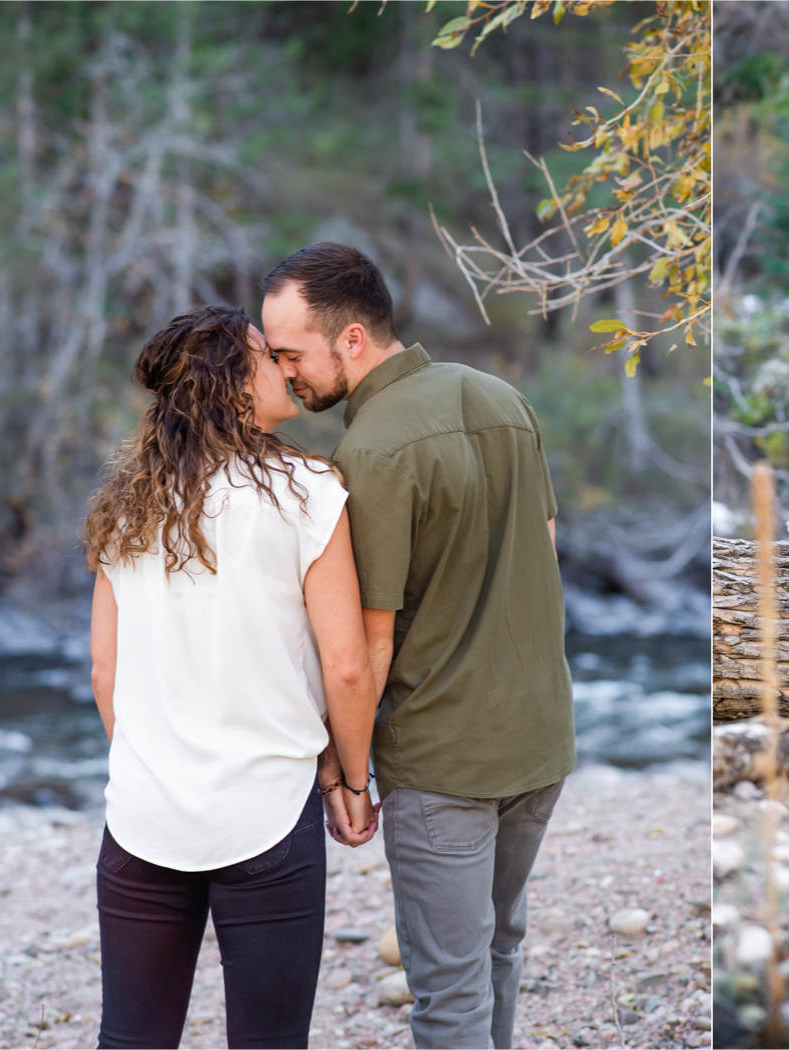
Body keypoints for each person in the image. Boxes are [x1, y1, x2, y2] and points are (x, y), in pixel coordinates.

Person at [259, 242, 576, 1050]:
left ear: (353, 339)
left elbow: (366, 643)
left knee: (448, 996)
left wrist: (352, 774)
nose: (286, 372)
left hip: (444, 762)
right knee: (500, 950)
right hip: (540, 738)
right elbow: (544, 547)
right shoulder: (502, 397)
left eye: (292, 353)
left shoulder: (365, 455)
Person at [84, 305, 378, 1049]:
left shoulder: (128, 503)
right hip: (267, 813)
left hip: (144, 814)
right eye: (263, 355)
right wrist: (350, 778)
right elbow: (345, 665)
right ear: (230, 385)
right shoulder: (310, 490)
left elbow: (104, 669)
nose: (283, 366)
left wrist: (156, 757)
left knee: (132, 1038)